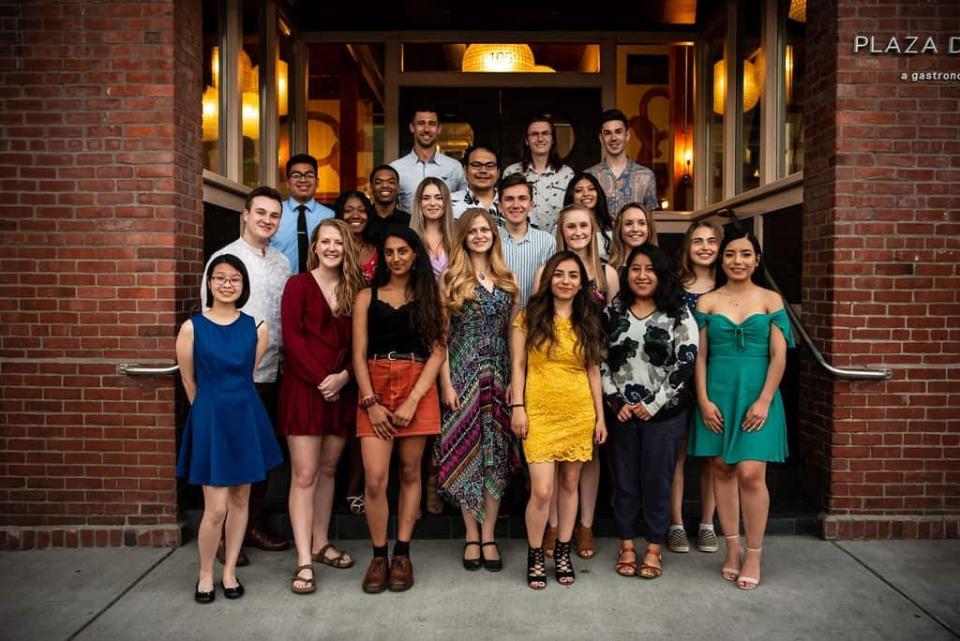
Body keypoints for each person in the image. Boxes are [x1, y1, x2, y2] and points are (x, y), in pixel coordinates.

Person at [688, 229, 795, 591]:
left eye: (745, 254)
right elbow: (699, 356)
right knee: (721, 467)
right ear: (722, 259)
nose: (737, 261)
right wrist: (703, 400)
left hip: (756, 394)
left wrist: (765, 399)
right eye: (731, 254)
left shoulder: (771, 300)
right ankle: (731, 549)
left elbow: (780, 355)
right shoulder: (708, 302)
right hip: (717, 392)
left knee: (751, 473)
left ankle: (754, 552)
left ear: (756, 260)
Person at [177, 254, 284, 603]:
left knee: (242, 500)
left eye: (234, 279)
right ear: (209, 283)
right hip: (211, 420)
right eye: (220, 278)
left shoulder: (257, 327)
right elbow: (190, 382)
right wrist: (209, 412)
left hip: (246, 416)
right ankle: (205, 573)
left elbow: (247, 373)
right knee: (216, 508)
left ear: (243, 285)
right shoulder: (192, 327)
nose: (227, 284)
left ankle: (230, 571)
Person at [352, 226, 446, 593]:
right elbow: (357, 355)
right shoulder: (366, 296)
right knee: (375, 478)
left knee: (411, 473)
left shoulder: (430, 296)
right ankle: (379, 555)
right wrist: (370, 401)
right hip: (374, 383)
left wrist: (412, 400)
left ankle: (402, 553)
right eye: (389, 252)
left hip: (417, 383)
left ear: (415, 254)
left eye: (403, 251)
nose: (396, 258)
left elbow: (438, 350)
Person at [201, 186, 291, 563]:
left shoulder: (282, 263)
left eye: (274, 216)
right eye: (261, 213)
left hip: (273, 372)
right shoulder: (225, 259)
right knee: (233, 456)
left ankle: (250, 526)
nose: (267, 221)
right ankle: (222, 537)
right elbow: (208, 320)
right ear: (245, 214)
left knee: (260, 456)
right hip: (236, 378)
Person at [510, 251, 607, 590]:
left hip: (578, 410)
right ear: (549, 278)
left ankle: (563, 551)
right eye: (559, 274)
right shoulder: (528, 317)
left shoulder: (589, 319)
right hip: (538, 409)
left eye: (573, 276)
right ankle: (536, 553)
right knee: (542, 489)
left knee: (569, 484)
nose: (566, 281)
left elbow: (594, 370)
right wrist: (517, 406)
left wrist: (600, 418)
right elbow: (518, 366)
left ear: (582, 283)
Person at [602, 244, 699, 579]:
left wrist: (653, 404)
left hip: (665, 414)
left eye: (650, 269)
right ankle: (627, 544)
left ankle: (654, 548)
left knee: (657, 480)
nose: (642, 276)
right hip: (622, 413)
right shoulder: (614, 310)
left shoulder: (678, 312)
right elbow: (597, 358)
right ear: (627, 273)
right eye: (635, 269)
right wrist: (616, 400)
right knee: (625, 481)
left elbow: (686, 360)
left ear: (661, 274)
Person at [279, 219, 365, 595]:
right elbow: (292, 339)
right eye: (325, 242)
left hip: (341, 389)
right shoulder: (297, 285)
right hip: (304, 389)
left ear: (346, 248)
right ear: (315, 246)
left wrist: (344, 377)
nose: (331, 248)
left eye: (338, 242)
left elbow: (362, 343)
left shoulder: (355, 290)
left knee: (329, 469)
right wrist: (321, 380)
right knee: (305, 474)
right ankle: (302, 559)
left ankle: (320, 543)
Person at [437, 209, 521, 572]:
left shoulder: (508, 279)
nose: (480, 235)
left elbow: (516, 334)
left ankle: (489, 535)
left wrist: (518, 380)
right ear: (463, 236)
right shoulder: (450, 279)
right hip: (462, 372)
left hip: (499, 374)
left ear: (494, 235)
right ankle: (472, 535)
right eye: (473, 230)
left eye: (486, 229)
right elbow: (439, 338)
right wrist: (444, 383)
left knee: (494, 456)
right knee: (466, 451)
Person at [535, 204, 618, 560]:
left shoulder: (607, 274)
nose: (579, 231)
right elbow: (538, 321)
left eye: (584, 225)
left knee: (589, 454)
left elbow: (615, 323)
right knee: (553, 457)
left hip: (594, 363)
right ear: (562, 230)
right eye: (571, 226)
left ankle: (584, 524)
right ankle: (553, 526)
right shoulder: (549, 270)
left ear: (594, 228)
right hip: (556, 369)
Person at [668, 220, 725, 554]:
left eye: (711, 241)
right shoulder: (675, 285)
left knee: (711, 457)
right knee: (676, 454)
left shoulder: (727, 285)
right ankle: (675, 523)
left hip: (717, 375)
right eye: (698, 241)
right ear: (688, 247)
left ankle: (707, 523)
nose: (705, 247)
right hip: (678, 378)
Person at [503, 114, 574, 233]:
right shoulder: (511, 172)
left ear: (553, 140)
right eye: (534, 134)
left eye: (545, 133)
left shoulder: (567, 174)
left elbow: (572, 212)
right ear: (526, 140)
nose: (540, 139)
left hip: (558, 245)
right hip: (520, 244)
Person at [390, 105, 467, 212]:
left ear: (439, 129)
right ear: (412, 127)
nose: (426, 129)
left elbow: (464, 204)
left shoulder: (454, 167)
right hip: (407, 228)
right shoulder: (396, 168)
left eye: (432, 124)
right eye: (421, 123)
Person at [497, 173, 557, 308]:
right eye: (509, 199)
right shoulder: (490, 240)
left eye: (522, 198)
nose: (516, 205)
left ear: (531, 205)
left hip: (535, 319)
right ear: (500, 206)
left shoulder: (547, 242)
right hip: (497, 322)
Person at [587, 108, 658, 217]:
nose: (614, 138)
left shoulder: (646, 176)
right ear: (601, 139)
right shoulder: (589, 176)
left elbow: (650, 221)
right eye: (607, 133)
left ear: (627, 135)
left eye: (618, 132)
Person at [272, 154, 335, 274]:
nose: (303, 180)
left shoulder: (330, 216)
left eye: (309, 175)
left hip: (319, 287)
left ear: (317, 182)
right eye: (296, 175)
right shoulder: (274, 212)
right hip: (280, 287)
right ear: (287, 183)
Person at [409, 177, 456, 279]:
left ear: (446, 202)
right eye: (426, 198)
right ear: (419, 203)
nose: (432, 203)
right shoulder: (409, 238)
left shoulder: (457, 236)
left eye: (439, 198)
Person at [563, 172, 614, 260]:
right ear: (571, 196)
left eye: (591, 189)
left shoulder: (612, 224)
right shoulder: (562, 224)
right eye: (579, 190)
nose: (586, 194)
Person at [333, 191, 378, 282]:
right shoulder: (332, 250)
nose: (356, 216)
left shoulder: (377, 250)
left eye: (361, 210)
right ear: (340, 215)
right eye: (348, 211)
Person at [451, 143, 500, 221]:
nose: (483, 170)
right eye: (476, 165)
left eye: (490, 165)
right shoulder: (449, 203)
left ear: (498, 172)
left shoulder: (512, 202)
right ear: (465, 171)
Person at [366, 164, 411, 247]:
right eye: (378, 182)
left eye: (391, 182)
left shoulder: (409, 222)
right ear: (371, 187)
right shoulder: (364, 220)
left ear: (398, 188)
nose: (385, 185)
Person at [608, 202, 659, 273]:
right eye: (628, 224)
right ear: (619, 229)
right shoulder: (607, 268)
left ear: (649, 228)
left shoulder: (662, 267)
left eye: (642, 223)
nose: (635, 229)